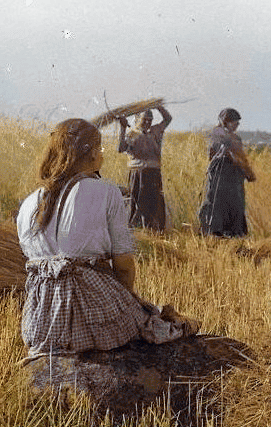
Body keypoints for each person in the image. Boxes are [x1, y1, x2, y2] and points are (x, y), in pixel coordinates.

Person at [17, 119, 196, 375]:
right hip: (94, 316)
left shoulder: (28, 203)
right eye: (99, 149)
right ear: (91, 152)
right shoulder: (107, 192)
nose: (102, 155)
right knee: (162, 322)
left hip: (40, 325)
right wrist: (127, 304)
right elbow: (123, 266)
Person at [198, 107, 256, 237]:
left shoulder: (233, 138)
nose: (237, 125)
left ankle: (232, 234)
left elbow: (239, 156)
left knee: (233, 203)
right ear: (226, 121)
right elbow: (230, 155)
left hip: (231, 176)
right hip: (222, 175)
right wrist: (246, 170)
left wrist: (247, 170)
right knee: (219, 204)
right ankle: (216, 233)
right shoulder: (219, 134)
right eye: (234, 122)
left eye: (237, 123)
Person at [117, 104, 172, 231]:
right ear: (137, 119)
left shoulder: (156, 131)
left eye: (150, 120)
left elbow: (168, 119)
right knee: (137, 203)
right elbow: (121, 148)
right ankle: (137, 231)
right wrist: (123, 127)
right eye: (144, 119)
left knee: (155, 203)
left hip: (154, 174)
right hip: (138, 174)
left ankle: (155, 230)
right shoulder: (132, 134)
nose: (147, 122)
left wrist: (158, 106)